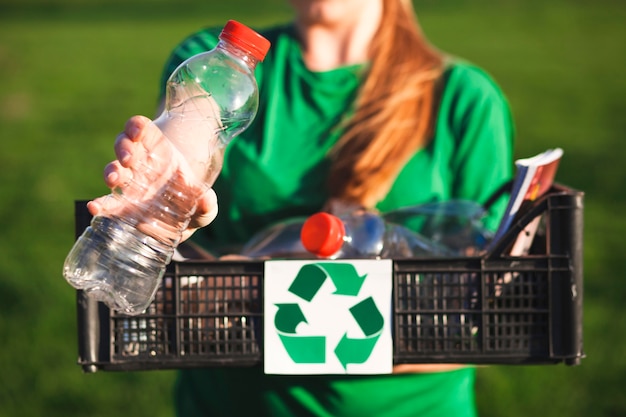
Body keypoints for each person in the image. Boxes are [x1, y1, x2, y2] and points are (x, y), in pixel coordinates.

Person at [89, 0, 514, 415]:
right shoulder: (222, 69)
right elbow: (178, 164)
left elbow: (485, 313)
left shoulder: (465, 99)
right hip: (234, 404)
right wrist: (167, 205)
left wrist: (248, 291)